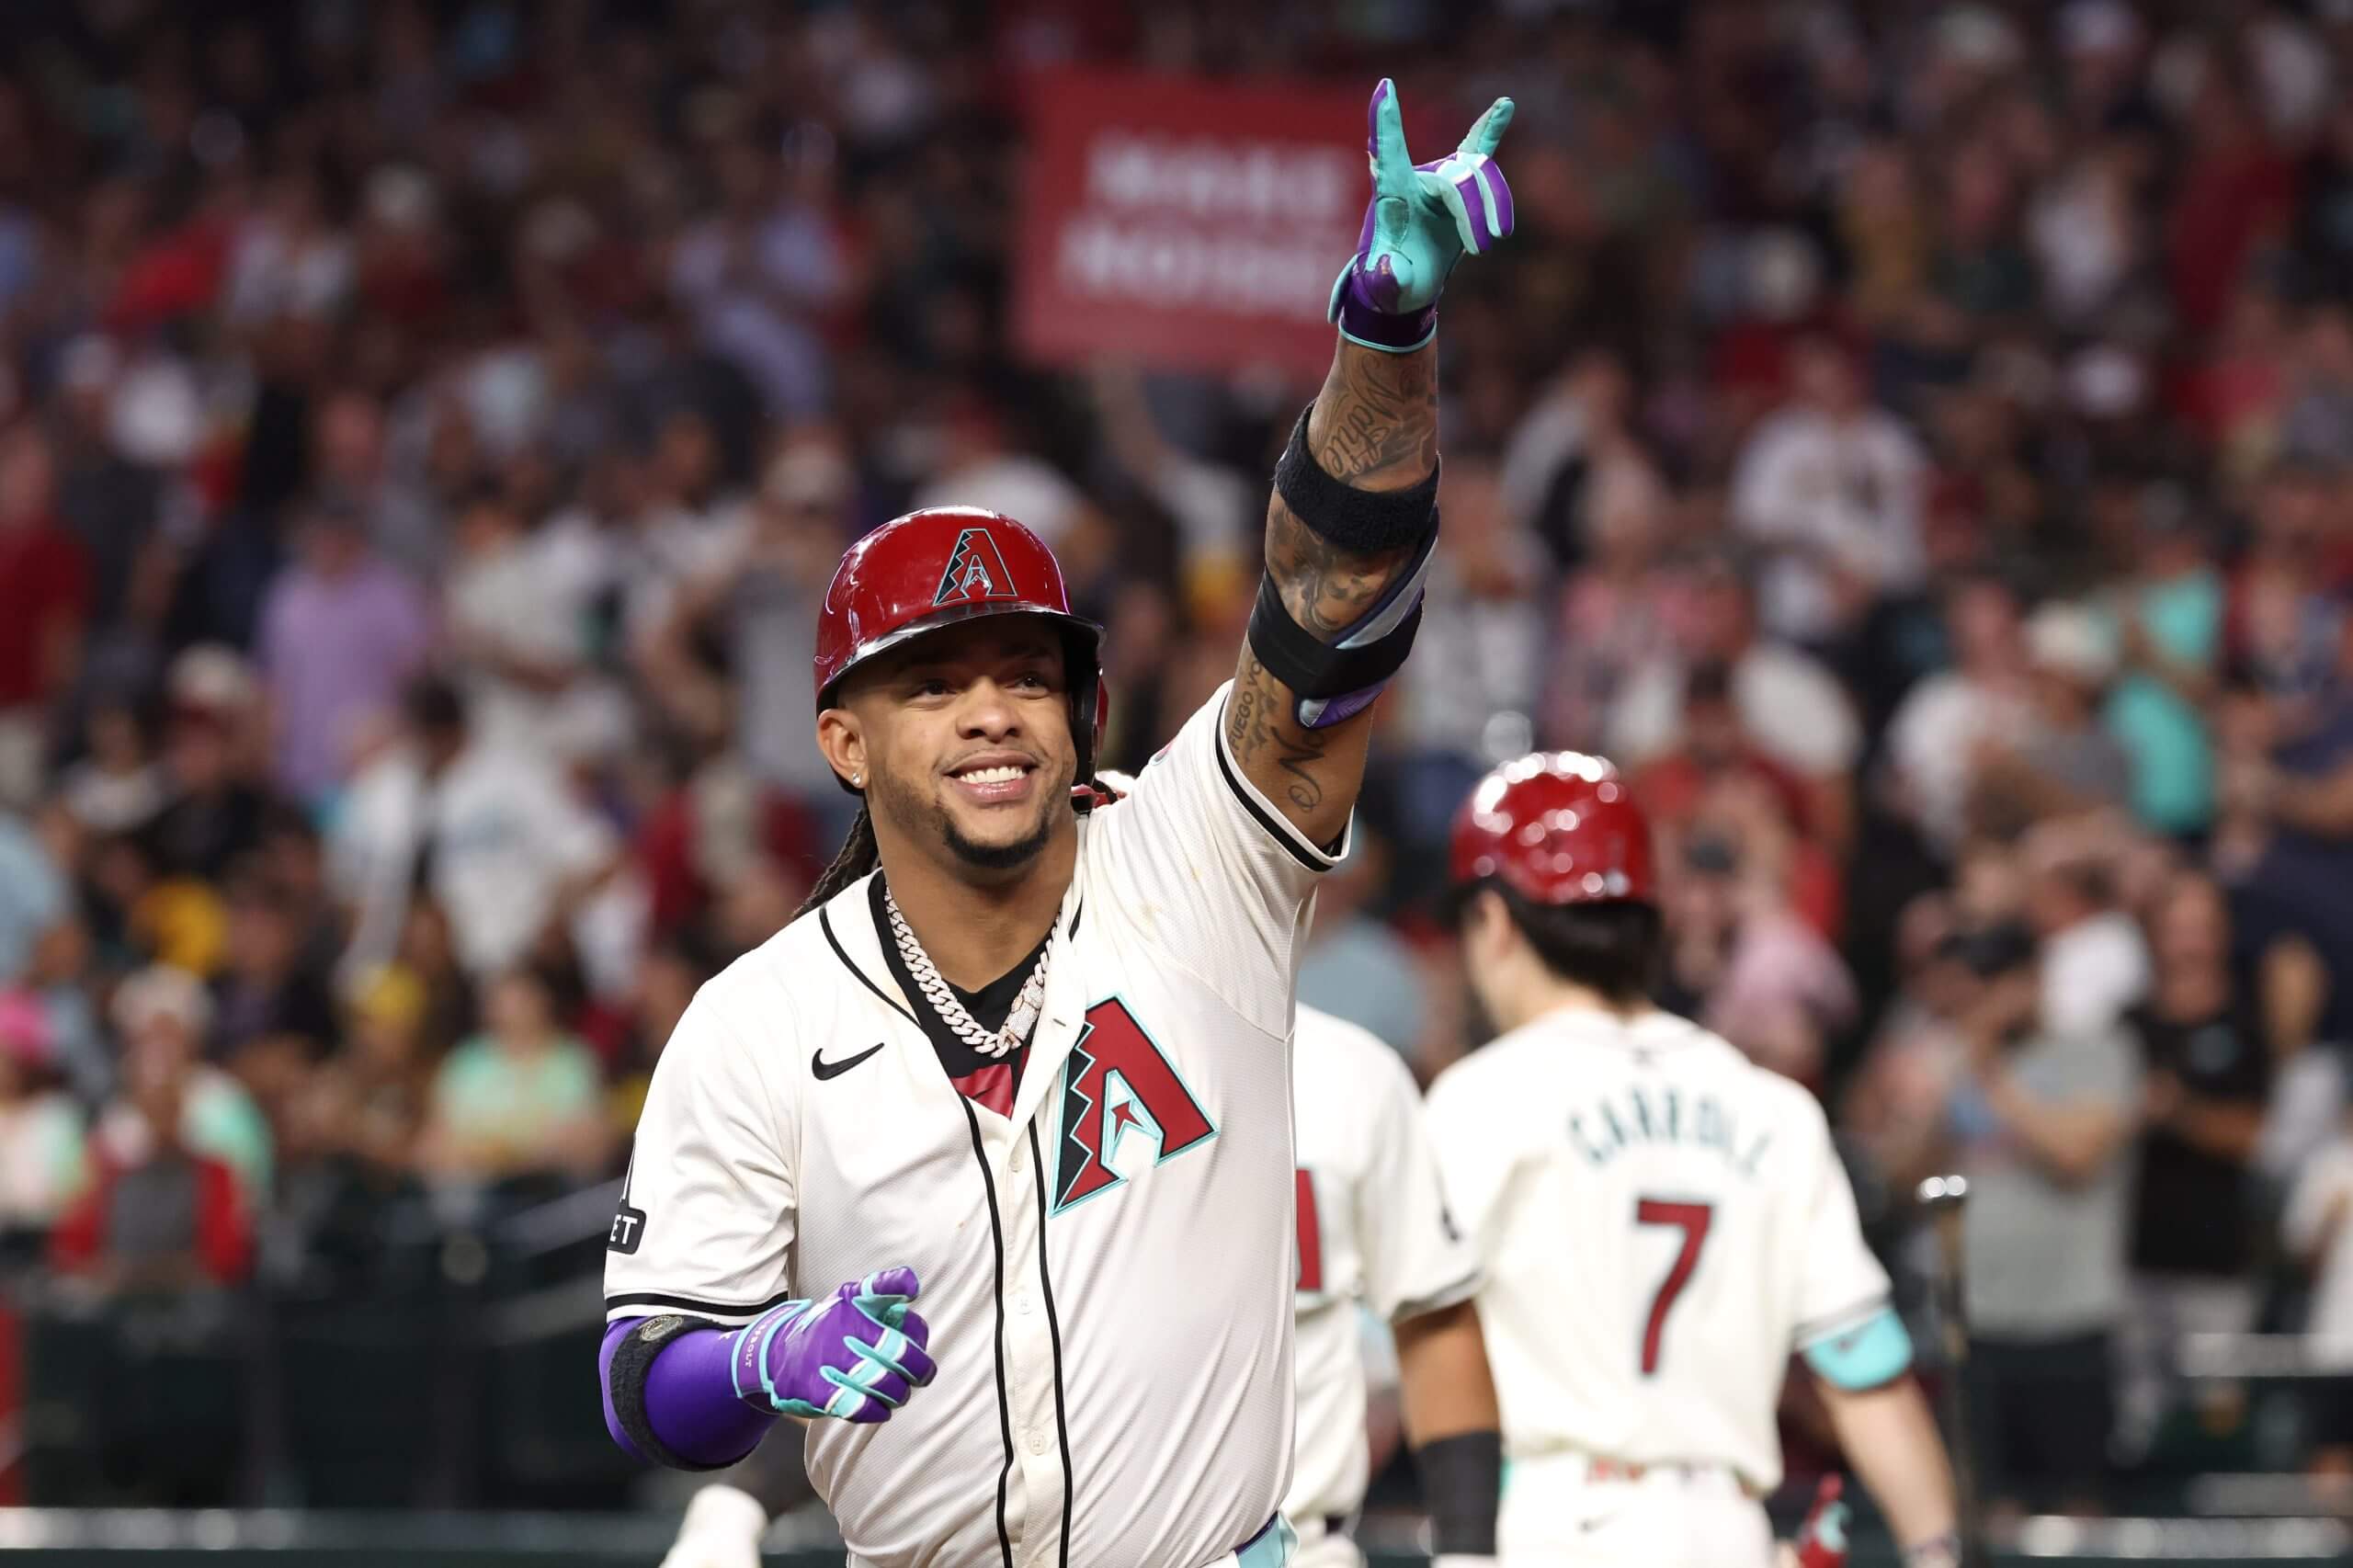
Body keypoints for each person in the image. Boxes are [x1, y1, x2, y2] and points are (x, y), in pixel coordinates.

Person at [600, 80, 1515, 1568]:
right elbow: (646, 1382)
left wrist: (1383, 337)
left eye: (1027, 673)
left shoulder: (1198, 861)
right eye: (933, 684)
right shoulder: (756, 1020)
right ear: (842, 740)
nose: (990, 710)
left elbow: (1332, 609)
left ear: (1080, 711)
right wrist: (760, 1362)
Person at [655, 1004, 1496, 1568]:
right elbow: (924, 1335)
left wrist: (1468, 1549)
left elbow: (1432, 1315)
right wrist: (737, 1502)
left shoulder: (1351, 1074)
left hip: (1279, 1543)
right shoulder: (991, 1083)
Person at [1422, 753, 1961, 1568]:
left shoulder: (1480, 1098)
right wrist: (1938, 1550)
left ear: (1494, 922)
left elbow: (1411, 1344)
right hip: (1726, 1529)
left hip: (1549, 1522)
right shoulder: (1773, 1107)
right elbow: (1866, 1372)